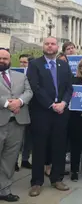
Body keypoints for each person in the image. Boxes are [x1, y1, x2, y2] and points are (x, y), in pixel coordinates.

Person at [27, 37, 73, 197]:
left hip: (61, 112)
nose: (50, 46)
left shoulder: (64, 65)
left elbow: (69, 88)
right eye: (47, 43)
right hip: (42, 112)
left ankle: (57, 178)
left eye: (53, 44)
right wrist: (50, 104)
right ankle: (36, 182)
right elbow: (35, 87)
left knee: (59, 146)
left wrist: (63, 103)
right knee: (39, 148)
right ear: (43, 46)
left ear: (57, 47)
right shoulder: (34, 64)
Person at [0, 49, 33, 202]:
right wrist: (7, 104)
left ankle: (4, 190)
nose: (2, 60)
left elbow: (29, 92)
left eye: (5, 58)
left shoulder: (21, 76)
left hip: (17, 124)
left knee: (10, 159)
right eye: (0, 58)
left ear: (10, 60)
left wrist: (19, 102)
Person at [16, 54, 34, 170]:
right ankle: (13, 162)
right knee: (18, 137)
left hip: (31, 108)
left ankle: (25, 159)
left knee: (29, 136)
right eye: (21, 62)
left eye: (25, 62)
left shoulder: (33, 75)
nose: (22, 64)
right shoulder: (14, 75)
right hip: (18, 108)